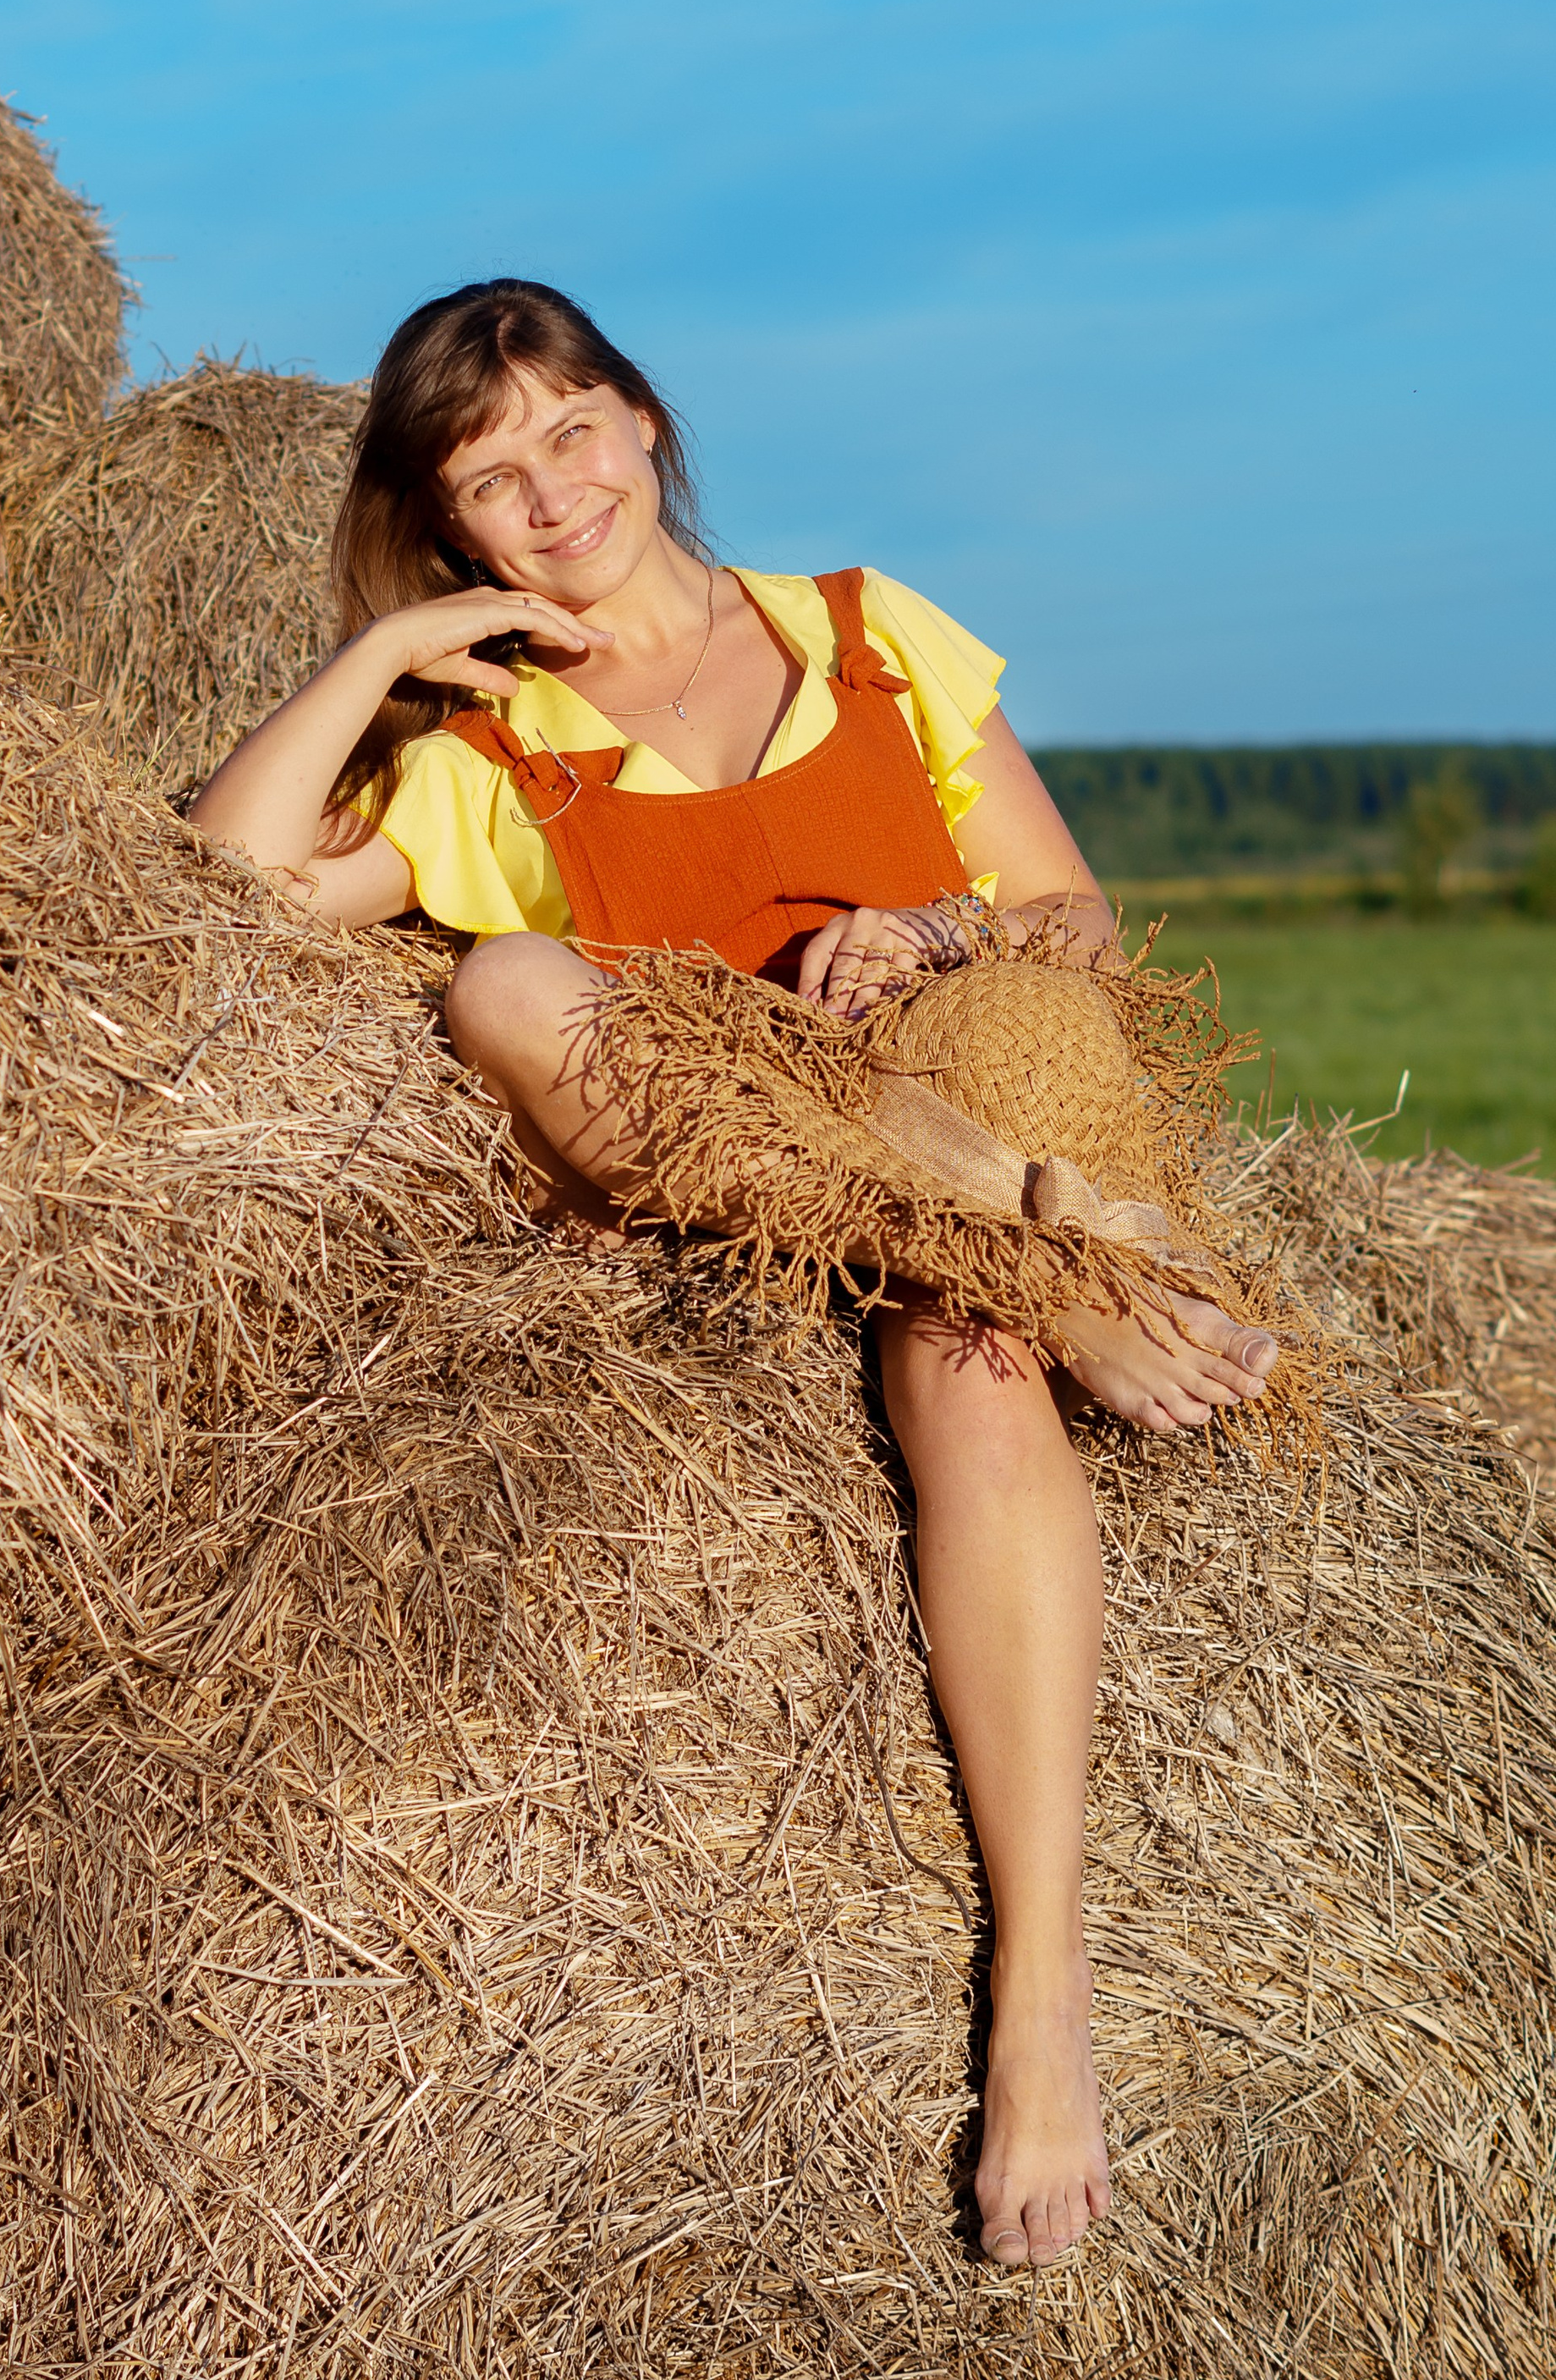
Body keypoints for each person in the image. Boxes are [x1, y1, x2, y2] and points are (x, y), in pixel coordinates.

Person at [190, 278, 1278, 2272]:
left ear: (642, 417)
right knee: (509, 981)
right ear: (449, 530)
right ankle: (1034, 1256)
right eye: (486, 478)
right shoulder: (483, 745)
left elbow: (1076, 918)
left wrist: (934, 936)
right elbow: (228, 881)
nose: (551, 489)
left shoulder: (866, 632)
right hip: (705, 1192)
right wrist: (399, 652)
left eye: (568, 427)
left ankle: (1041, 1999)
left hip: (939, 1098)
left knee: (971, 1365)